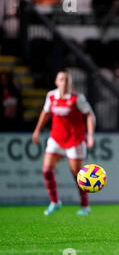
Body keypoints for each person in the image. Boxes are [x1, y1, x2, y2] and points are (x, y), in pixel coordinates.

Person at [32, 71, 96, 216]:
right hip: (56, 138)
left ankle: (85, 205)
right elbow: (46, 112)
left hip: (74, 140)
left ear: (70, 83)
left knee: (77, 174)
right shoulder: (51, 96)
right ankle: (54, 202)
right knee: (46, 170)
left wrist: (90, 135)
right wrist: (37, 131)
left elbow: (89, 115)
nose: (64, 82)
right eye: (61, 79)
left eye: (67, 79)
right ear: (56, 82)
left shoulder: (77, 98)